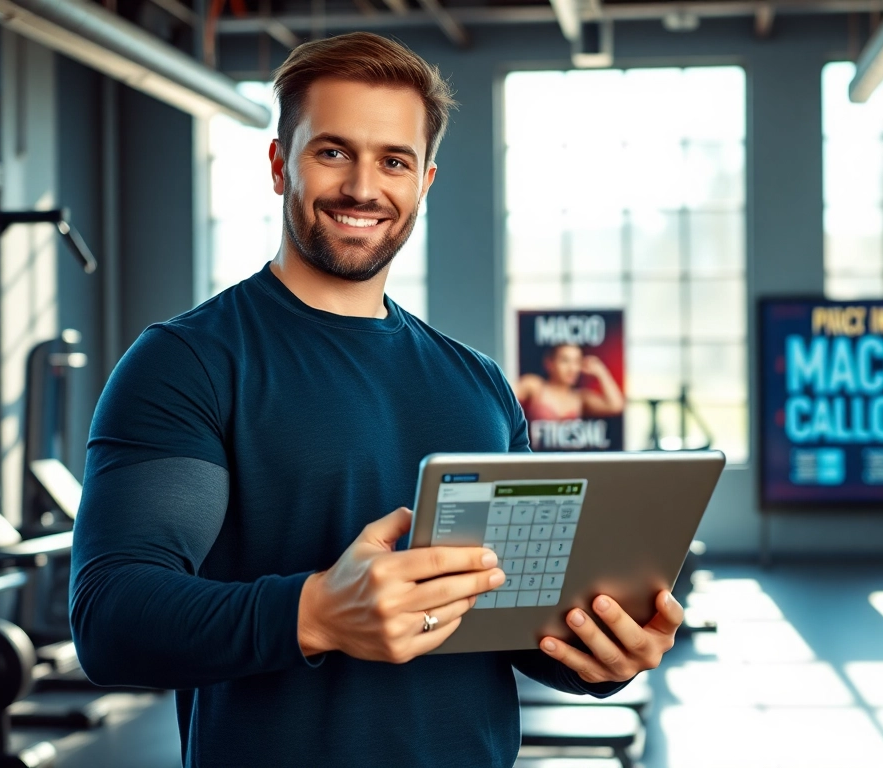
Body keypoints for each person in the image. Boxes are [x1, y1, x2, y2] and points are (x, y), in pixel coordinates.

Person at [68, 32, 682, 767]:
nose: (363, 188)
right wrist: (315, 613)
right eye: (333, 152)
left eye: (394, 161)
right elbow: (112, 615)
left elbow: (510, 615)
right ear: (279, 165)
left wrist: (603, 654)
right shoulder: (189, 362)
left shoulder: (479, 383)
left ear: (424, 181)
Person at [516, 342, 626, 422]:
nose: (572, 368)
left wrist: (601, 372)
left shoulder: (580, 398)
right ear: (549, 363)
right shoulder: (535, 386)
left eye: (577, 361)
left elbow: (616, 406)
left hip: (571, 449)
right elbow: (506, 397)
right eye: (565, 361)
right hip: (535, 448)